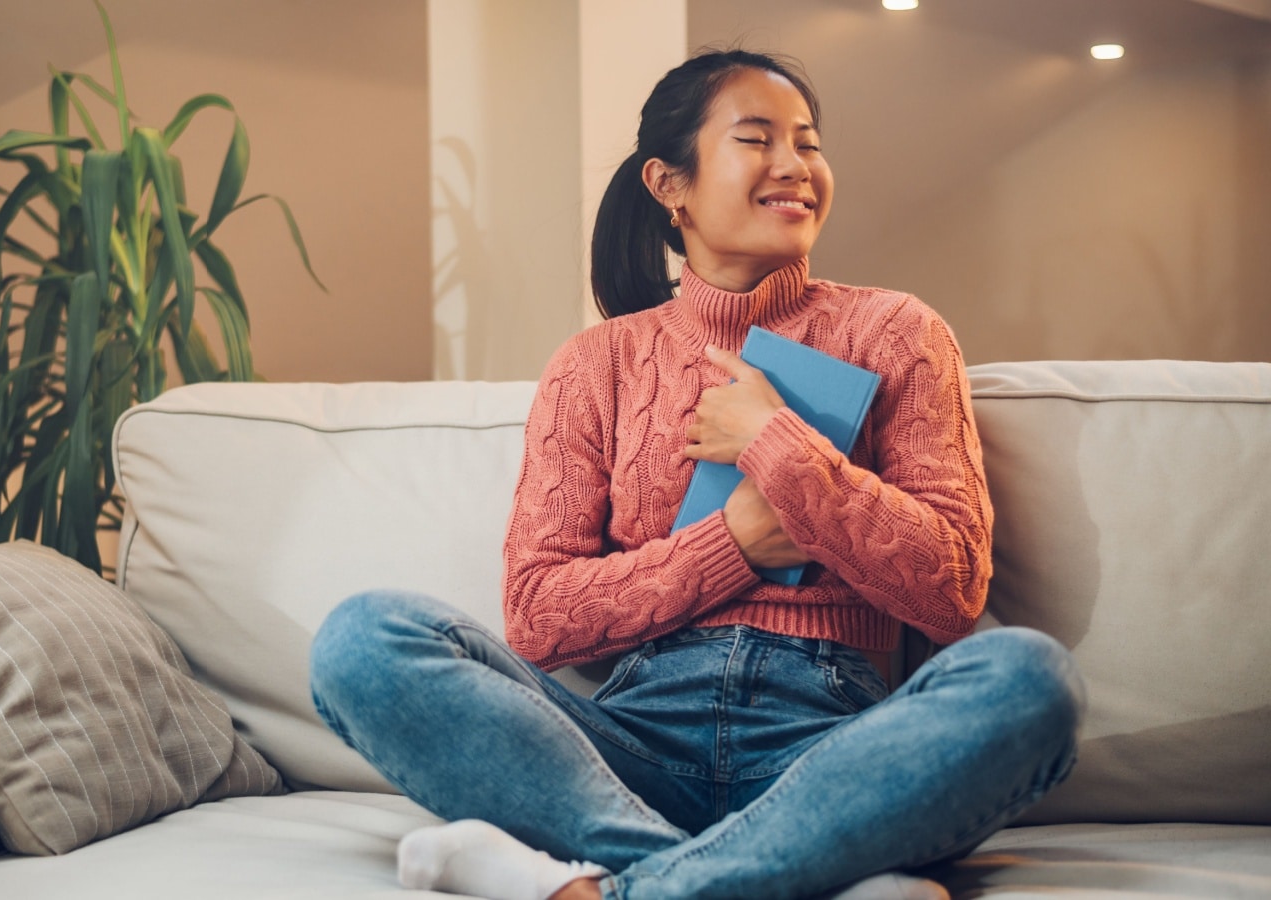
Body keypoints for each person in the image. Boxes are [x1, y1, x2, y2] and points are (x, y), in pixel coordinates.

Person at [309, 47, 1083, 900]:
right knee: (364, 638)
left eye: (808, 143)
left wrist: (780, 446)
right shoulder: (595, 364)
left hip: (830, 754)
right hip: (629, 750)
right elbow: (537, 615)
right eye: (757, 139)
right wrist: (737, 542)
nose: (795, 165)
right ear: (668, 184)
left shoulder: (898, 332)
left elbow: (952, 588)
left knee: (1030, 678)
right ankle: (777, 874)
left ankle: (628, 886)